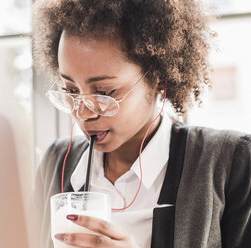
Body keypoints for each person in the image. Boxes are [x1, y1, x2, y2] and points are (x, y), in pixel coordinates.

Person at [32, 0, 251, 247]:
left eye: (104, 92)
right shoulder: (56, 161)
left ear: (159, 78)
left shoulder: (230, 162)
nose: (83, 113)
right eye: (70, 90)